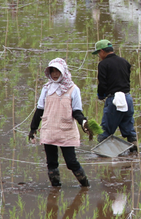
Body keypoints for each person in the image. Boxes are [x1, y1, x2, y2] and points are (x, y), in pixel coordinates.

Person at [28, 58, 91, 187]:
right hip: (49, 129)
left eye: (58, 71)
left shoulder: (73, 89)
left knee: (71, 162)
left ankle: (85, 185)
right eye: (52, 71)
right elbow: (40, 109)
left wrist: (83, 122)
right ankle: (55, 188)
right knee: (51, 163)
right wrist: (33, 128)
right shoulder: (46, 89)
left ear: (63, 72)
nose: (55, 74)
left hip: (65, 130)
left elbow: (77, 111)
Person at [93, 40, 138, 150]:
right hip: (127, 98)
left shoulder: (103, 64)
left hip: (115, 100)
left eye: (99, 53)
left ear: (102, 51)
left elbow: (102, 84)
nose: (99, 56)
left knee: (105, 130)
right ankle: (134, 153)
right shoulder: (125, 62)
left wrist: (101, 95)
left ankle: (104, 155)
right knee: (129, 129)